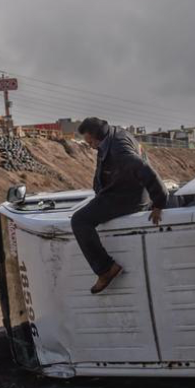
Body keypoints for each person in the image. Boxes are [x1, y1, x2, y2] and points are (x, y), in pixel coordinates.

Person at [73, 117, 169, 293]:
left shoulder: (120, 150)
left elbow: (146, 170)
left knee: (79, 221)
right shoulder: (113, 133)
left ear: (96, 137)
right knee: (88, 212)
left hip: (129, 198)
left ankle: (105, 269)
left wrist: (159, 202)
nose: (90, 146)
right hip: (121, 189)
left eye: (89, 142)